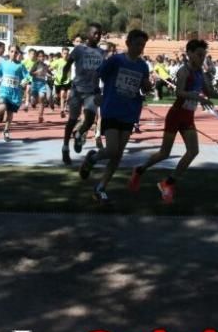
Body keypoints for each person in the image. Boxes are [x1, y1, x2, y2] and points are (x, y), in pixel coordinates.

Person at [129, 39, 218, 202]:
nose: (202, 58)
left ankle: (168, 183)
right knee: (164, 153)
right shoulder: (184, 71)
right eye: (199, 55)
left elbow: (209, 92)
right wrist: (196, 96)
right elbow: (179, 93)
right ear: (189, 54)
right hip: (176, 114)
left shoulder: (200, 73)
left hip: (188, 116)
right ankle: (139, 170)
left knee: (193, 151)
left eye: (204, 55)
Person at [78, 29, 152, 207]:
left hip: (130, 112)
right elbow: (97, 74)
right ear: (128, 43)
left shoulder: (142, 66)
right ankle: (92, 158)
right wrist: (96, 92)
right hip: (111, 108)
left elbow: (143, 87)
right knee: (112, 150)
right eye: (137, 44)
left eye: (142, 45)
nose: (140, 48)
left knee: (117, 155)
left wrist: (147, 86)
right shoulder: (115, 60)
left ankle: (100, 188)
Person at [60, 23, 105, 165]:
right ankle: (65, 148)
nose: (97, 36)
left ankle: (79, 134)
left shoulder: (101, 53)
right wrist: (64, 77)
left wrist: (101, 87)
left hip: (92, 92)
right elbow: (68, 64)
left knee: (90, 120)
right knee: (72, 120)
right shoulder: (79, 49)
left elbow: (102, 72)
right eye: (95, 33)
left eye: (99, 34)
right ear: (88, 34)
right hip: (77, 90)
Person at [0, 45, 29, 141]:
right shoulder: (4, 63)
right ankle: (0, 114)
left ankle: (6, 130)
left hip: (15, 93)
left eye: (16, 52)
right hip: (4, 90)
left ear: (18, 54)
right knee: (2, 107)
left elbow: (27, 76)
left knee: (9, 113)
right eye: (12, 51)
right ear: (9, 52)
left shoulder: (20, 65)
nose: (14, 54)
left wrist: (25, 80)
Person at [29, 50, 53, 123]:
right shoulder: (35, 65)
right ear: (37, 57)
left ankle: (40, 116)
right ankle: (33, 103)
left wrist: (51, 75)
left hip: (42, 84)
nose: (41, 58)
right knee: (33, 100)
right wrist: (37, 72)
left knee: (42, 98)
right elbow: (30, 73)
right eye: (40, 56)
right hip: (35, 83)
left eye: (43, 56)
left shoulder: (45, 66)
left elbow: (49, 73)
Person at [50, 46, 71, 117]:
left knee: (68, 94)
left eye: (67, 54)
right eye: (64, 53)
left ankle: (64, 109)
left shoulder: (70, 61)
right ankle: (61, 108)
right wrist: (50, 71)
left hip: (68, 81)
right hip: (59, 81)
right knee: (61, 95)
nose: (66, 55)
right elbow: (50, 67)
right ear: (62, 54)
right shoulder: (58, 61)